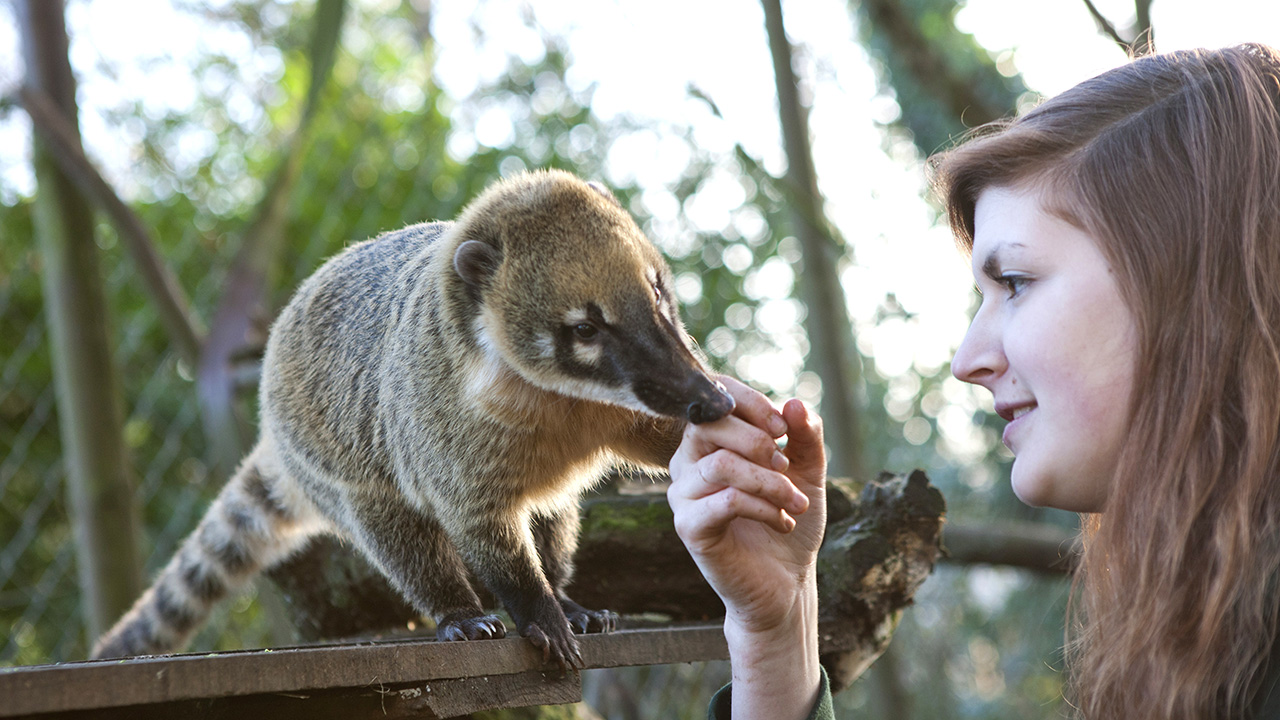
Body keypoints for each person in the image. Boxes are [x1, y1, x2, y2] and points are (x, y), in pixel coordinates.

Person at [668, 43, 1280, 719]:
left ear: (1196, 288)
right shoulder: (1211, 628)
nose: (968, 360)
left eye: (1015, 282)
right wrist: (779, 631)